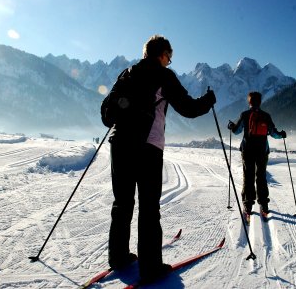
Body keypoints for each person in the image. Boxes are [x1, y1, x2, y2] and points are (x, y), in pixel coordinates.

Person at [108, 34, 216, 283]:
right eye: (170, 56)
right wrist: (208, 101)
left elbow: (108, 108)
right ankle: (150, 266)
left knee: (122, 203)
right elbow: (188, 108)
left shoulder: (126, 73)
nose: (170, 61)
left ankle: (118, 257)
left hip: (119, 144)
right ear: (161, 54)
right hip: (148, 147)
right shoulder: (163, 75)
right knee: (149, 207)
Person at [227, 91, 286, 220]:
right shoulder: (266, 116)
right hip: (262, 151)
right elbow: (274, 133)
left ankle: (248, 206)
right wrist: (282, 134)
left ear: (249, 102)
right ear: (260, 102)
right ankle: (264, 205)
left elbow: (236, 131)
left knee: (248, 176)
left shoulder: (245, 115)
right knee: (261, 176)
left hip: (247, 151)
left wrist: (231, 126)